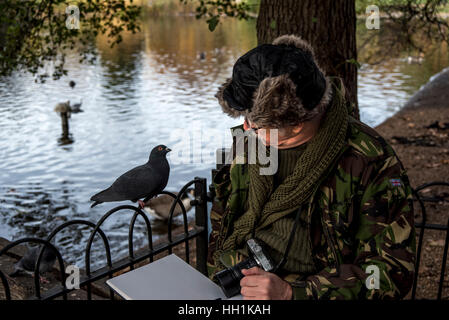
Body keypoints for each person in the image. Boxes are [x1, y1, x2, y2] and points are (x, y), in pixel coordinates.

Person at [207, 34, 416, 300]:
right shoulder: (248, 145)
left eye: (254, 124)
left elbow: (391, 273)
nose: (246, 129)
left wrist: (292, 294)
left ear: (295, 124)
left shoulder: (369, 160)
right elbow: (222, 223)